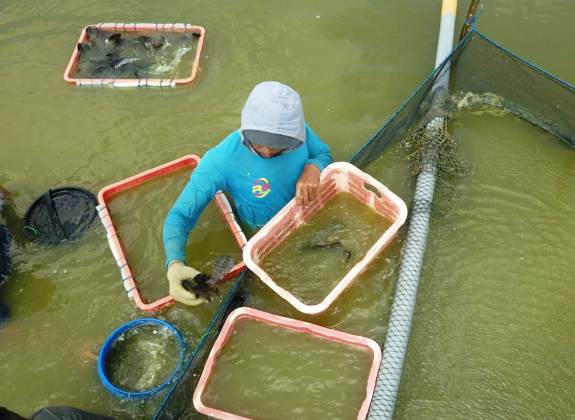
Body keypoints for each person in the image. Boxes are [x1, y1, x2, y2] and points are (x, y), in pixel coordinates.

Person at [163, 81, 333, 305]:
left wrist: (314, 167)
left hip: (307, 215)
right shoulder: (220, 161)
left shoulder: (299, 133)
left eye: (280, 144)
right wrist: (174, 264)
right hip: (263, 236)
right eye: (260, 143)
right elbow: (179, 216)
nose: (269, 151)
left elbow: (322, 152)